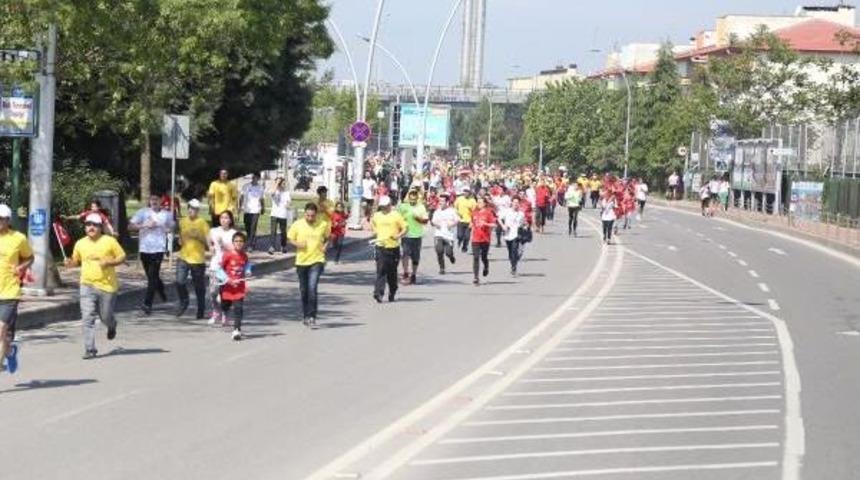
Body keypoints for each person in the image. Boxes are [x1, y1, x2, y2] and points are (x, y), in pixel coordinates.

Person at [65, 213, 127, 359]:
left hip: (107, 286)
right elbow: (75, 261)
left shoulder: (109, 241)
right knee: (87, 317)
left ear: (100, 227)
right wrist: (69, 263)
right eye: (88, 225)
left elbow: (122, 256)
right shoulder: (80, 243)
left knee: (105, 317)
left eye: (94, 225)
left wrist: (109, 263)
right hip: (87, 284)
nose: (91, 227)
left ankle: (112, 325)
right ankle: (90, 349)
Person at [0, 204, 33, 373]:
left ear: (8, 220)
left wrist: (22, 267)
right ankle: (10, 351)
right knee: (5, 336)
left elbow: (30, 257)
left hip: (9, 291)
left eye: (2, 219)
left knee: (0, 330)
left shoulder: (18, 238)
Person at [129, 194, 174, 315]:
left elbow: (173, 226)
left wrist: (168, 228)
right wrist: (144, 225)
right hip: (144, 248)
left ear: (161, 201)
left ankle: (147, 304)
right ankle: (161, 289)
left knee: (152, 277)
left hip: (158, 249)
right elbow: (130, 226)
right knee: (151, 276)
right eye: (152, 199)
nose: (154, 201)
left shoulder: (166, 214)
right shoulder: (143, 212)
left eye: (156, 199)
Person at [288, 203, 329, 327]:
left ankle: (312, 316)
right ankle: (305, 315)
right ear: (304, 213)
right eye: (308, 215)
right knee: (304, 290)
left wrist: (325, 246)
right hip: (301, 261)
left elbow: (328, 237)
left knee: (312, 287)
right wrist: (297, 244)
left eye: (312, 216)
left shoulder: (322, 224)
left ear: (316, 215)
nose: (310, 218)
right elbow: (289, 238)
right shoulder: (297, 224)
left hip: (317, 260)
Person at [175, 199, 208, 319]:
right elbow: (180, 236)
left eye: (193, 208)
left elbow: (209, 244)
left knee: (199, 287)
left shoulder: (202, 223)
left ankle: (201, 309)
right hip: (183, 257)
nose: (191, 210)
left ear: (198, 210)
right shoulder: (182, 221)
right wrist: (179, 240)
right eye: (189, 208)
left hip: (198, 260)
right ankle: (184, 301)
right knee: (179, 282)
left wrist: (199, 237)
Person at [370, 196, 406, 303]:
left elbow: (405, 228)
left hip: (393, 248)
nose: (384, 208)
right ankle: (378, 293)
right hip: (381, 246)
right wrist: (375, 232)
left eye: (386, 206)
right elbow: (373, 225)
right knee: (381, 270)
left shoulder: (396, 215)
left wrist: (398, 235)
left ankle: (392, 291)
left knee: (392, 272)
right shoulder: (377, 215)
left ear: (390, 205)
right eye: (382, 206)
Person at [207, 211, 237, 325]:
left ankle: (225, 313)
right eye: (222, 218)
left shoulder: (233, 233)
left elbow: (235, 250)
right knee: (213, 291)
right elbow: (208, 239)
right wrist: (210, 247)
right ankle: (215, 311)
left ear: (230, 220)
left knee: (225, 293)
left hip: (227, 267)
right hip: (216, 266)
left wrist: (223, 244)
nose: (224, 220)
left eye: (226, 218)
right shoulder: (214, 231)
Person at [220, 232, 249, 341]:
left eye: (241, 241)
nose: (238, 243)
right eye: (236, 241)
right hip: (227, 286)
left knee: (238, 308)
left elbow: (247, 265)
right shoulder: (228, 255)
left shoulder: (244, 256)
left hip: (239, 287)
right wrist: (227, 280)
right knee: (225, 305)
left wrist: (249, 270)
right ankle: (224, 309)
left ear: (244, 243)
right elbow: (220, 269)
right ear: (233, 242)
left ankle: (237, 330)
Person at [397, 189, 429, 285]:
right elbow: (397, 219)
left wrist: (418, 219)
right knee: (405, 254)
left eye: (415, 194)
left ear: (417, 196)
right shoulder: (403, 207)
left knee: (415, 257)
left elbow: (425, 221)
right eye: (411, 194)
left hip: (417, 235)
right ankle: (406, 272)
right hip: (406, 235)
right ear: (408, 195)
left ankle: (414, 274)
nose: (413, 197)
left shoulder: (421, 207)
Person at [470, 197, 497, 285]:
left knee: (483, 257)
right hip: (475, 238)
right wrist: (471, 225)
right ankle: (476, 277)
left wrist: (485, 224)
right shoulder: (474, 213)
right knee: (476, 257)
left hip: (485, 239)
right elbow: (472, 222)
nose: (479, 204)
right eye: (478, 202)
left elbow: (494, 224)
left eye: (480, 202)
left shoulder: (488, 213)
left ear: (485, 203)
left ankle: (486, 266)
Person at [431, 192, 458, 274]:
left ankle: (451, 256)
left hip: (449, 236)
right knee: (439, 251)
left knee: (448, 253)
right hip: (439, 234)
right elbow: (433, 221)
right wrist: (436, 224)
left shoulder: (452, 211)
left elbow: (457, 220)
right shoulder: (437, 211)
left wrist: (452, 224)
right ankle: (442, 268)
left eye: (442, 201)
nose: (440, 203)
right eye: (440, 201)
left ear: (447, 202)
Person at [500, 197, 526, 276]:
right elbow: (499, 218)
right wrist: (503, 226)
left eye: (517, 202)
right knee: (510, 252)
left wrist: (525, 227)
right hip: (508, 234)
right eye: (514, 202)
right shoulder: (507, 211)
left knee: (514, 250)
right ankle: (513, 263)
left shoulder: (521, 214)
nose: (516, 204)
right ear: (511, 203)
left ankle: (514, 267)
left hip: (516, 235)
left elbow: (523, 223)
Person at [239, 173, 265, 252]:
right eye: (253, 177)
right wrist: (239, 206)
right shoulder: (246, 186)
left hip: (256, 210)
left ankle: (250, 245)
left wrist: (263, 207)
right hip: (247, 210)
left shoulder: (260, 188)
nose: (254, 179)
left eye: (256, 178)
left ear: (258, 179)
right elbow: (241, 197)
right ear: (252, 177)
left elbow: (261, 199)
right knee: (247, 226)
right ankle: (252, 239)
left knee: (253, 227)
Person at [268, 177, 291, 255]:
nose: (283, 185)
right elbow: (272, 193)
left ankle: (283, 246)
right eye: (282, 183)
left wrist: (288, 206)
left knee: (283, 232)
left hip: (283, 214)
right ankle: (272, 247)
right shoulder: (275, 191)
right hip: (274, 214)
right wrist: (277, 183)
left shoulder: (287, 193)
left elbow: (288, 202)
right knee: (273, 231)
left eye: (284, 184)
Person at [454, 188, 477, 253]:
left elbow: (475, 211)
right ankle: (459, 241)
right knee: (460, 235)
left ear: (469, 193)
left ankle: (464, 247)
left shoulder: (472, 201)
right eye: (464, 192)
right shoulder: (459, 199)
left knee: (467, 237)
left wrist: (472, 222)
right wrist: (458, 213)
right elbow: (455, 207)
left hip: (469, 221)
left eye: (467, 192)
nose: (465, 193)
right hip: (460, 220)